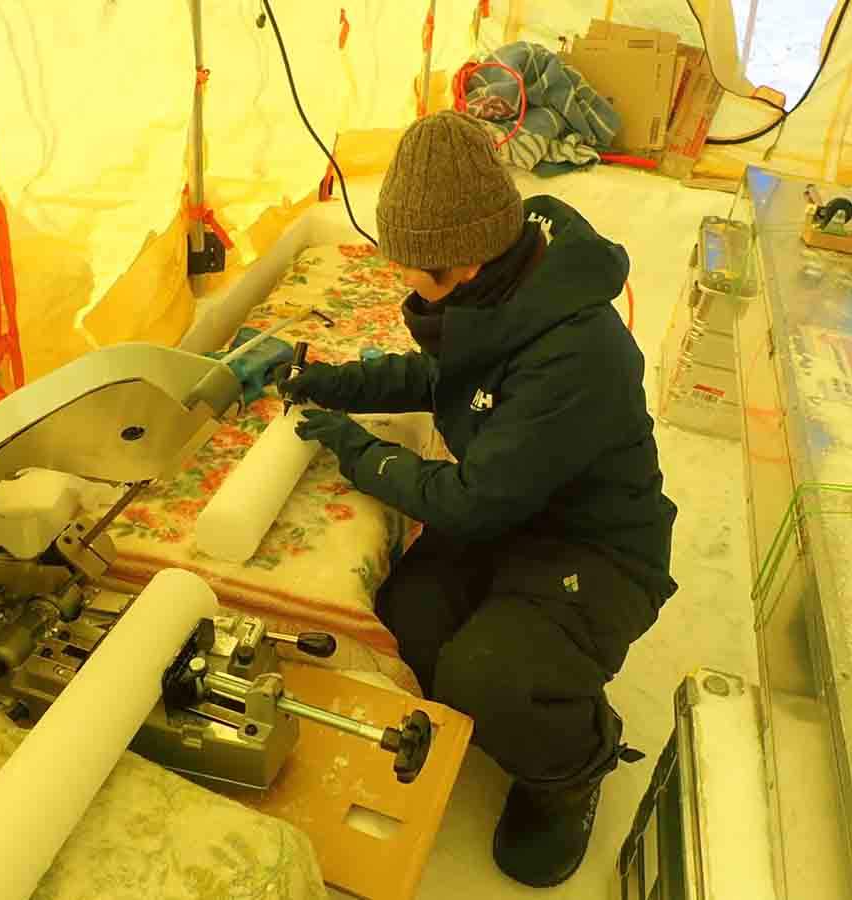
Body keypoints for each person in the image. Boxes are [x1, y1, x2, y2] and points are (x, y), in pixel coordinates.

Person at [281, 110, 677, 888]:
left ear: (461, 262)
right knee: (409, 614)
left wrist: (355, 447)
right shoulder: (503, 288)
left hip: (595, 547)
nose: (404, 284)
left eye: (413, 269)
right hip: (520, 505)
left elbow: (469, 501)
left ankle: (572, 767)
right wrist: (336, 382)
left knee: (486, 674)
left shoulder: (574, 351)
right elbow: (443, 377)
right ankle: (512, 710)